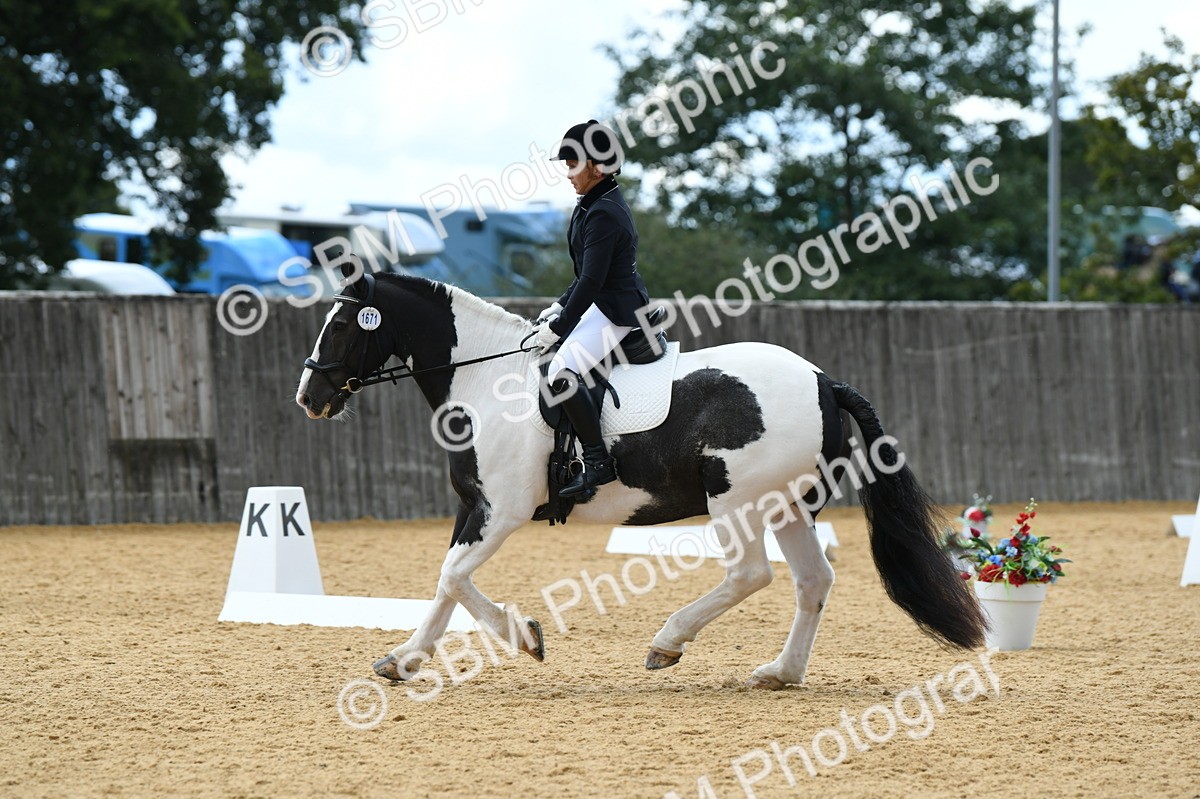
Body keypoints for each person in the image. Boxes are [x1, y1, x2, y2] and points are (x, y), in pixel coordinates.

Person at [533, 119, 650, 497]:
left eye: (573, 166)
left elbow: (592, 282)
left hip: (616, 310)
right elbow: (585, 274)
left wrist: (560, 325)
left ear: (597, 168)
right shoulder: (594, 203)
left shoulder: (604, 213)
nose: (568, 174)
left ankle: (599, 462)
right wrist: (558, 306)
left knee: (561, 371)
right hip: (603, 302)